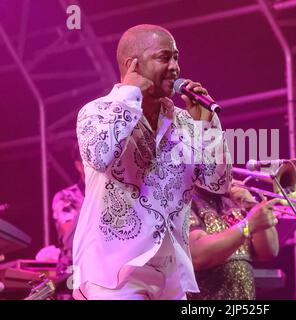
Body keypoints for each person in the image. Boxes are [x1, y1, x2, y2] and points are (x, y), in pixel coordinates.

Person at [72, 24, 231, 300]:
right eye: (164, 57)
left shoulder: (183, 121)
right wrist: (129, 97)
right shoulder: (97, 111)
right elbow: (101, 155)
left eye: (177, 57)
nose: (175, 67)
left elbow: (217, 182)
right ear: (131, 64)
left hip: (171, 276)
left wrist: (208, 126)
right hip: (115, 274)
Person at [187, 182, 279, 300]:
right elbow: (198, 255)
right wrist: (248, 225)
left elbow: (269, 251)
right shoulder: (183, 200)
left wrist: (252, 206)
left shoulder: (234, 200)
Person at [51, 145, 85, 299]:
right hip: (71, 277)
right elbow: (68, 234)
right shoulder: (66, 197)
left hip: (103, 274)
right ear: (79, 165)